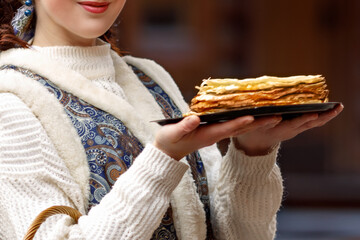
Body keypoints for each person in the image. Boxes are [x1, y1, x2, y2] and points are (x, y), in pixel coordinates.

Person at [0, 0, 343, 239]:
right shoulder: (11, 101)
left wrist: (253, 152)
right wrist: (163, 159)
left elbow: (241, 235)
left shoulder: (151, 79)